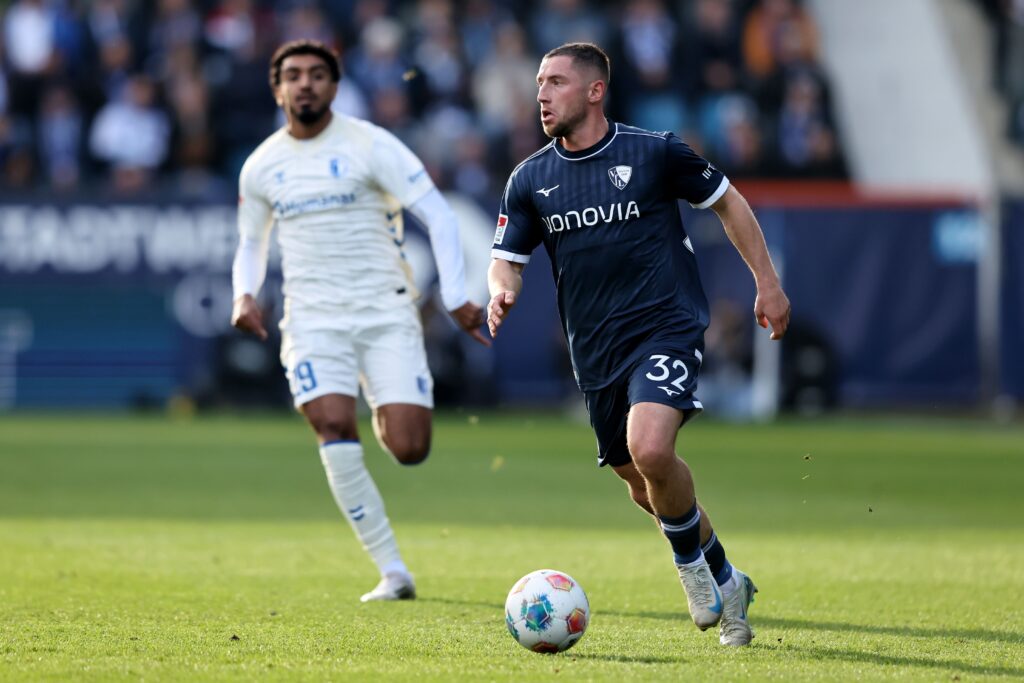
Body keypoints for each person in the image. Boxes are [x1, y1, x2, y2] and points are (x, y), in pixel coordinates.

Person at [486, 42, 790, 647]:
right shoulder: (530, 178)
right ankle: (728, 578)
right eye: (539, 83)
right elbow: (506, 260)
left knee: (650, 448)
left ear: (595, 90)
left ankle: (692, 572)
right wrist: (502, 290)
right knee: (641, 481)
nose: (541, 94)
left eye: (556, 82)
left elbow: (728, 203)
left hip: (665, 327)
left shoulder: (654, 152)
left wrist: (768, 282)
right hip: (595, 352)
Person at [231, 39, 488, 603]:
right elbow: (251, 242)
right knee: (331, 424)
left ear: (334, 86)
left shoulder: (371, 144)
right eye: (293, 75)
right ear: (277, 89)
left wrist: (454, 295)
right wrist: (244, 294)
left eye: (316, 74)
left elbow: (438, 214)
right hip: (312, 319)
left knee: (409, 447)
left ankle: (383, 397)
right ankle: (393, 571)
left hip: (385, 310)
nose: (304, 83)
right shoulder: (262, 166)